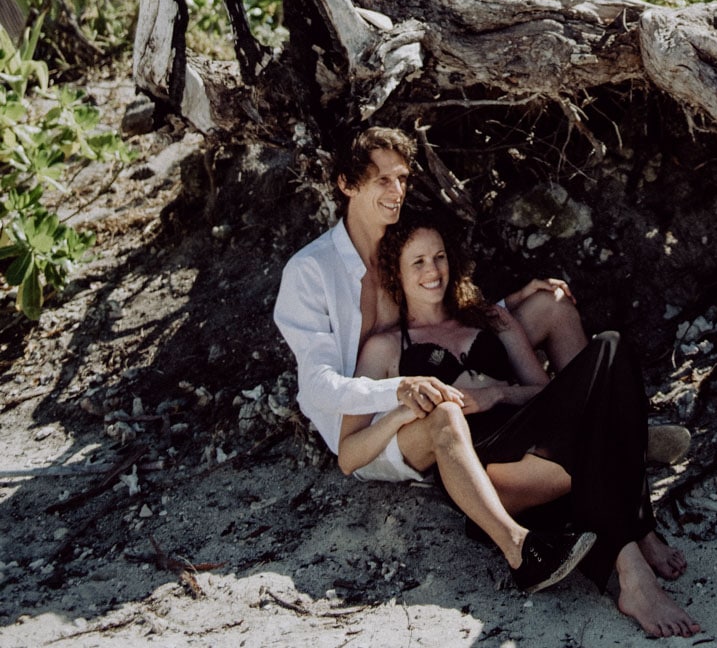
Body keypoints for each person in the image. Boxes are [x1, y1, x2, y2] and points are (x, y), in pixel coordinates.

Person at [272, 127, 695, 629]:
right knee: (451, 410)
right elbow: (319, 386)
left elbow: (435, 310)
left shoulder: (397, 243)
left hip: (465, 402)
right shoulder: (312, 271)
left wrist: (504, 311)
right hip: (384, 426)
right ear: (345, 184)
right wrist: (402, 391)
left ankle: (610, 427)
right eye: (380, 180)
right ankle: (613, 488)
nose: (396, 192)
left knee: (569, 317)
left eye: (402, 178)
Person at [338, 212, 700, 639]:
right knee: (602, 428)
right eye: (417, 262)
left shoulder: (490, 318)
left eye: (438, 257)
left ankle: (635, 540)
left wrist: (497, 394)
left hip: (536, 436)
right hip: (488, 464)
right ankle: (636, 558)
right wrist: (402, 410)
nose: (432, 270)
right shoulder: (385, 347)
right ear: (397, 273)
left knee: (611, 347)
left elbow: (545, 390)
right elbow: (349, 453)